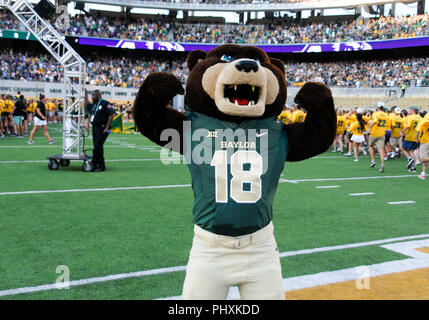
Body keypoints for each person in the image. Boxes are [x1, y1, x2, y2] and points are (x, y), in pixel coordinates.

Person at [85, 89, 115, 172]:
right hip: (95, 128)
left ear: (99, 96)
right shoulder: (94, 104)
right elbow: (87, 105)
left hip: (103, 129)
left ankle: (99, 165)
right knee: (97, 147)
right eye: (92, 95)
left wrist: (107, 128)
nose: (92, 97)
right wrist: (86, 95)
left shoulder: (106, 103)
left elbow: (111, 115)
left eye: (94, 95)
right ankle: (96, 164)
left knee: (97, 147)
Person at [368, 105, 389, 172]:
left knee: (370, 146)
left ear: (378, 108)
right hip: (382, 133)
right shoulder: (386, 115)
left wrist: (369, 127)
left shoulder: (376, 113)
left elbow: (375, 121)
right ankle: (382, 164)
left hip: (374, 133)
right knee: (381, 149)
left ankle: (373, 160)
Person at [401, 106, 422, 173]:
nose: (409, 110)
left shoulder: (410, 117)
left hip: (409, 136)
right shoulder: (420, 117)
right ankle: (413, 167)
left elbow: (408, 126)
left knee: (403, 148)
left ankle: (409, 158)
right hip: (416, 137)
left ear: (413, 110)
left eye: (410, 109)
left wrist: (402, 131)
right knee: (411, 150)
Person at [416, 113, 429, 180]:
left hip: (425, 142)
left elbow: (418, 131)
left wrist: (417, 138)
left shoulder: (423, 120)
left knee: (422, 159)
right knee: (425, 160)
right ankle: (423, 173)